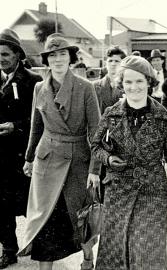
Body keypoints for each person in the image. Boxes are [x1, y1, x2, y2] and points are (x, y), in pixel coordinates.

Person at [91, 55, 167, 270]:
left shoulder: (163, 116)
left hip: (152, 192)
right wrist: (107, 158)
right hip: (117, 191)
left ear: (149, 82)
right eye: (128, 82)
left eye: (139, 81)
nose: (134, 87)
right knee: (115, 250)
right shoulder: (111, 114)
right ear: (121, 84)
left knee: (147, 251)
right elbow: (95, 146)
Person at [19, 33, 101, 270]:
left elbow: (95, 131)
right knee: (46, 218)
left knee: (80, 216)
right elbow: (36, 127)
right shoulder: (39, 88)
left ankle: (87, 258)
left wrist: (95, 169)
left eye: (62, 54)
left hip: (77, 161)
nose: (58, 60)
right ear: (46, 60)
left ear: (71, 57)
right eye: (52, 55)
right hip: (47, 159)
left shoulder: (86, 88)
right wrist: (28, 158)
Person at [0, 28, 42, 269]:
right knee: (0, 206)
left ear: (17, 55)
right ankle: (8, 249)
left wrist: (15, 126)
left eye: (5, 54)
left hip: (24, 155)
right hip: (0, 158)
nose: (1, 59)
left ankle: (37, 243)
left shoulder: (33, 81)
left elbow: (41, 120)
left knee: (30, 202)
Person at [93, 45, 126, 114]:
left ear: (123, 63)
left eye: (117, 61)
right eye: (110, 61)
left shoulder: (127, 86)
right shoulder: (94, 86)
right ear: (106, 63)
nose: (113, 64)